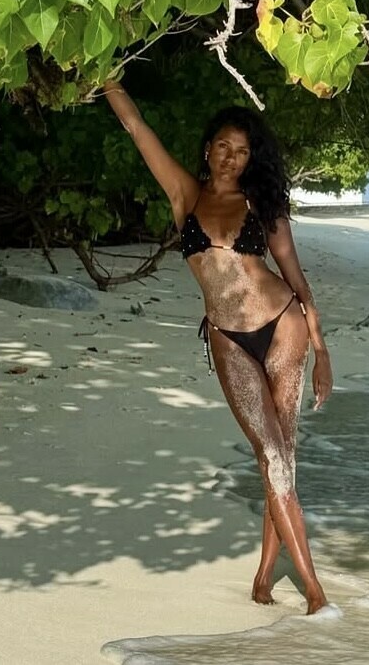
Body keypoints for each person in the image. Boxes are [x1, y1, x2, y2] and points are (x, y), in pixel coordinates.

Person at [103, 80, 333, 615]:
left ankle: (297, 587)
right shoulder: (185, 195)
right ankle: (299, 586)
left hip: (284, 325)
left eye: (243, 151)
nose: (231, 158)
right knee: (271, 455)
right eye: (224, 147)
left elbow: (296, 277)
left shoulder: (261, 204)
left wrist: (322, 351)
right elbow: (136, 128)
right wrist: (108, 78)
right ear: (208, 149)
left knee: (281, 460)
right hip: (228, 337)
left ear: (252, 158)